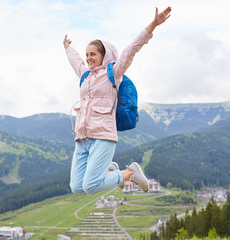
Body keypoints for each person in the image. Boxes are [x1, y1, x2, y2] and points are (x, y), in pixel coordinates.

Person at [63, 6, 172, 194]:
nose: (88, 58)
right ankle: (110, 170)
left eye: (93, 54)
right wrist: (68, 48)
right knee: (77, 188)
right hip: (82, 138)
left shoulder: (113, 72)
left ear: (104, 56)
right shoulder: (85, 75)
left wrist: (152, 25)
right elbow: (76, 61)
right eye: (87, 54)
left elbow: (131, 50)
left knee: (90, 187)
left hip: (103, 136)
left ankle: (130, 172)